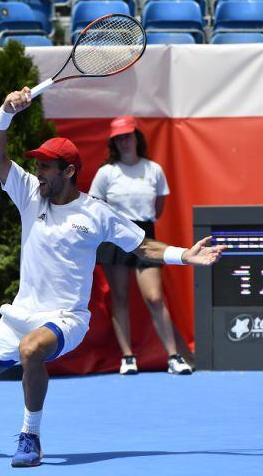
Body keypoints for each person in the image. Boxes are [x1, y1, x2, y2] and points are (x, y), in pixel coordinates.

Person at [0, 88, 224, 468]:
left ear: (69, 172)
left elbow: (142, 247)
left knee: (32, 350)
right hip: (19, 315)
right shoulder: (30, 195)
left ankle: (30, 436)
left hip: (66, 318)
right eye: (36, 165)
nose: (37, 172)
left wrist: (185, 255)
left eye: (46, 167)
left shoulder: (97, 213)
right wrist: (5, 112)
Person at [89, 115, 194, 376]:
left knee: (155, 298)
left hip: (145, 235)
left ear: (137, 138)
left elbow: (158, 208)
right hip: (114, 235)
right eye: (119, 138)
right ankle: (128, 357)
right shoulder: (106, 173)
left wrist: (143, 227)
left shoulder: (154, 170)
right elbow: (94, 206)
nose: (124, 141)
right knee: (120, 298)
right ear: (114, 143)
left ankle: (173, 356)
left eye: (128, 136)